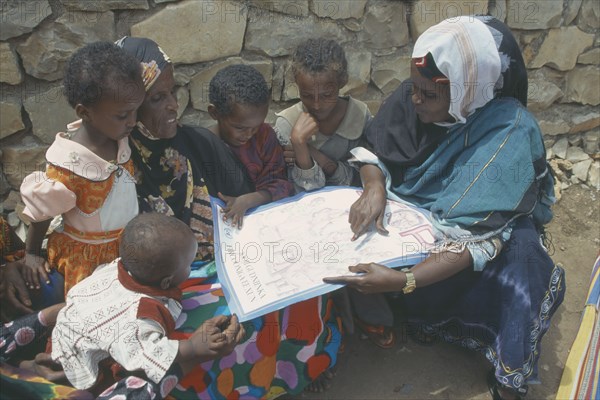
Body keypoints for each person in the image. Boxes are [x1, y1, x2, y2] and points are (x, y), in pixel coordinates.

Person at [324, 15, 565, 400]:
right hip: (416, 210)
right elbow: (376, 148)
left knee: (525, 268)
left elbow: (478, 238)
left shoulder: (509, 131)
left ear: (468, 90)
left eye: (428, 95)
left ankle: (508, 371)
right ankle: (419, 312)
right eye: (414, 90)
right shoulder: (417, 91)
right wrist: (373, 185)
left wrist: (404, 281)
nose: (414, 100)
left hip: (482, 229)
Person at [117, 36, 342, 397]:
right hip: (169, 278)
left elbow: (249, 199)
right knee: (224, 322)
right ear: (128, 105)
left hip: (229, 252)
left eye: (172, 92)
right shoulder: (117, 165)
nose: (174, 106)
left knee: (302, 275)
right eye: (157, 99)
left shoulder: (194, 143)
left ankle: (304, 364)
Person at [51, 213, 244, 393]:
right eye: (188, 265)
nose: (190, 268)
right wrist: (193, 347)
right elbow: (147, 353)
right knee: (131, 376)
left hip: (68, 334)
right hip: (85, 366)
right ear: (166, 282)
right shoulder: (143, 315)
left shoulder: (114, 268)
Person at [19, 42, 145, 295]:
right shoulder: (69, 165)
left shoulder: (117, 136)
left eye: (136, 110)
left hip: (123, 247)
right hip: (88, 260)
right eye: (123, 115)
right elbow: (43, 212)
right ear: (85, 112)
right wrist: (31, 254)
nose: (132, 121)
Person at [274, 37, 371, 193]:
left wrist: (316, 156)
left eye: (327, 95)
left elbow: (362, 179)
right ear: (297, 86)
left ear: (342, 82)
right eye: (307, 95)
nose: (317, 105)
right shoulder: (288, 124)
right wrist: (298, 142)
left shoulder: (359, 116)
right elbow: (302, 191)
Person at [208, 64, 293, 229]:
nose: (249, 134)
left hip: (264, 221)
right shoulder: (205, 146)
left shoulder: (265, 136)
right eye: (240, 128)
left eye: (256, 125)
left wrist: (247, 200)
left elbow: (280, 184)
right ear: (214, 113)